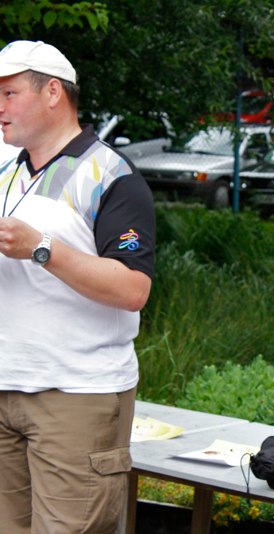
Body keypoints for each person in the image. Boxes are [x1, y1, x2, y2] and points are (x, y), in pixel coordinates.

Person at [0, 40, 155, 533]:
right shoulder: (7, 170)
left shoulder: (112, 175)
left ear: (53, 93)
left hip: (76, 395)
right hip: (6, 385)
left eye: (8, 94)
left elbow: (133, 288)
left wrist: (40, 247)